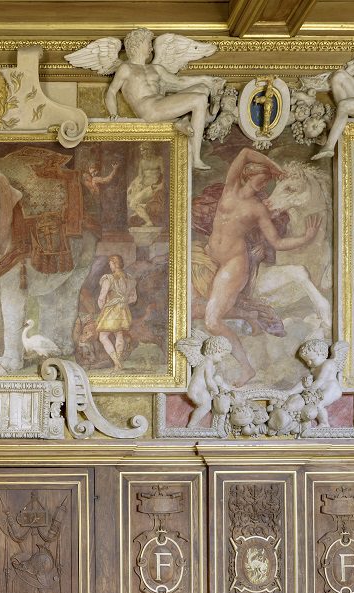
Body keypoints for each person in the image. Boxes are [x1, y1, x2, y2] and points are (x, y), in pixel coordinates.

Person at [202, 147, 322, 385]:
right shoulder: (230, 188)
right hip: (209, 257)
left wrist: (305, 239)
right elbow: (244, 152)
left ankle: (247, 368)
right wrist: (275, 167)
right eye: (263, 176)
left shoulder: (258, 208)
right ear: (249, 173)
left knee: (211, 321)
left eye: (267, 178)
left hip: (234, 263)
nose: (265, 181)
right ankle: (251, 315)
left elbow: (276, 242)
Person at [105, 28, 221, 171]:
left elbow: (180, 81)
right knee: (199, 99)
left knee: (203, 88)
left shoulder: (156, 68)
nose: (151, 47)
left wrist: (206, 80)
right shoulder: (126, 68)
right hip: (148, 109)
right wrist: (113, 114)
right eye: (148, 43)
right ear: (137, 45)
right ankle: (195, 159)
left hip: (161, 103)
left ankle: (184, 120)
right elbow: (111, 91)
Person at [95, 255, 136, 370]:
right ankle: (118, 364)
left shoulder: (109, 278)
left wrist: (102, 310)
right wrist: (123, 301)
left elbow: (101, 298)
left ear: (114, 263)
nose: (110, 266)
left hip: (111, 310)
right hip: (124, 310)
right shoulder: (130, 279)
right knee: (119, 334)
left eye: (110, 264)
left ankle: (116, 362)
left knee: (103, 337)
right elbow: (133, 299)